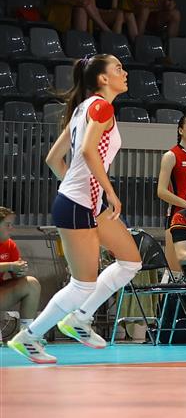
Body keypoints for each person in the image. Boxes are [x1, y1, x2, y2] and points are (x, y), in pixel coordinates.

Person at [7, 55, 140, 364]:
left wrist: (80, 187)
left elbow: (54, 159)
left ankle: (80, 318)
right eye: (118, 68)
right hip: (79, 205)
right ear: (103, 79)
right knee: (83, 284)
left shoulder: (83, 108)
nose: (124, 73)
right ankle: (29, 337)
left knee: (130, 262)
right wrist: (108, 191)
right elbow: (88, 151)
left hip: (85, 202)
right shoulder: (101, 107)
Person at [156, 113, 186, 281]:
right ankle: (165, 298)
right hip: (178, 216)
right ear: (180, 130)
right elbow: (161, 191)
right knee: (174, 272)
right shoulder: (170, 156)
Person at [0, 207, 41, 334]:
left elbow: (15, 275)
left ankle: (26, 334)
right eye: (7, 225)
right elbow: (10, 266)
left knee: (31, 283)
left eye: (12, 225)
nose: (11, 228)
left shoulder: (9, 245)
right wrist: (10, 266)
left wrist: (20, 270)